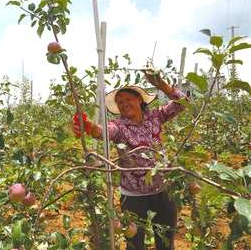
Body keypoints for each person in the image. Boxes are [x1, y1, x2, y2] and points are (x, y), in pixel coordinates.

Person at [72, 70, 188, 250]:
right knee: (134, 244)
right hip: (134, 196)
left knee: (166, 242)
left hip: (163, 190)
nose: (124, 104)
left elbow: (182, 104)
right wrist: (88, 126)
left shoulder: (156, 116)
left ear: (139, 100)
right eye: (120, 102)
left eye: (128, 99)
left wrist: (161, 84)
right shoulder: (119, 126)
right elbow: (103, 131)